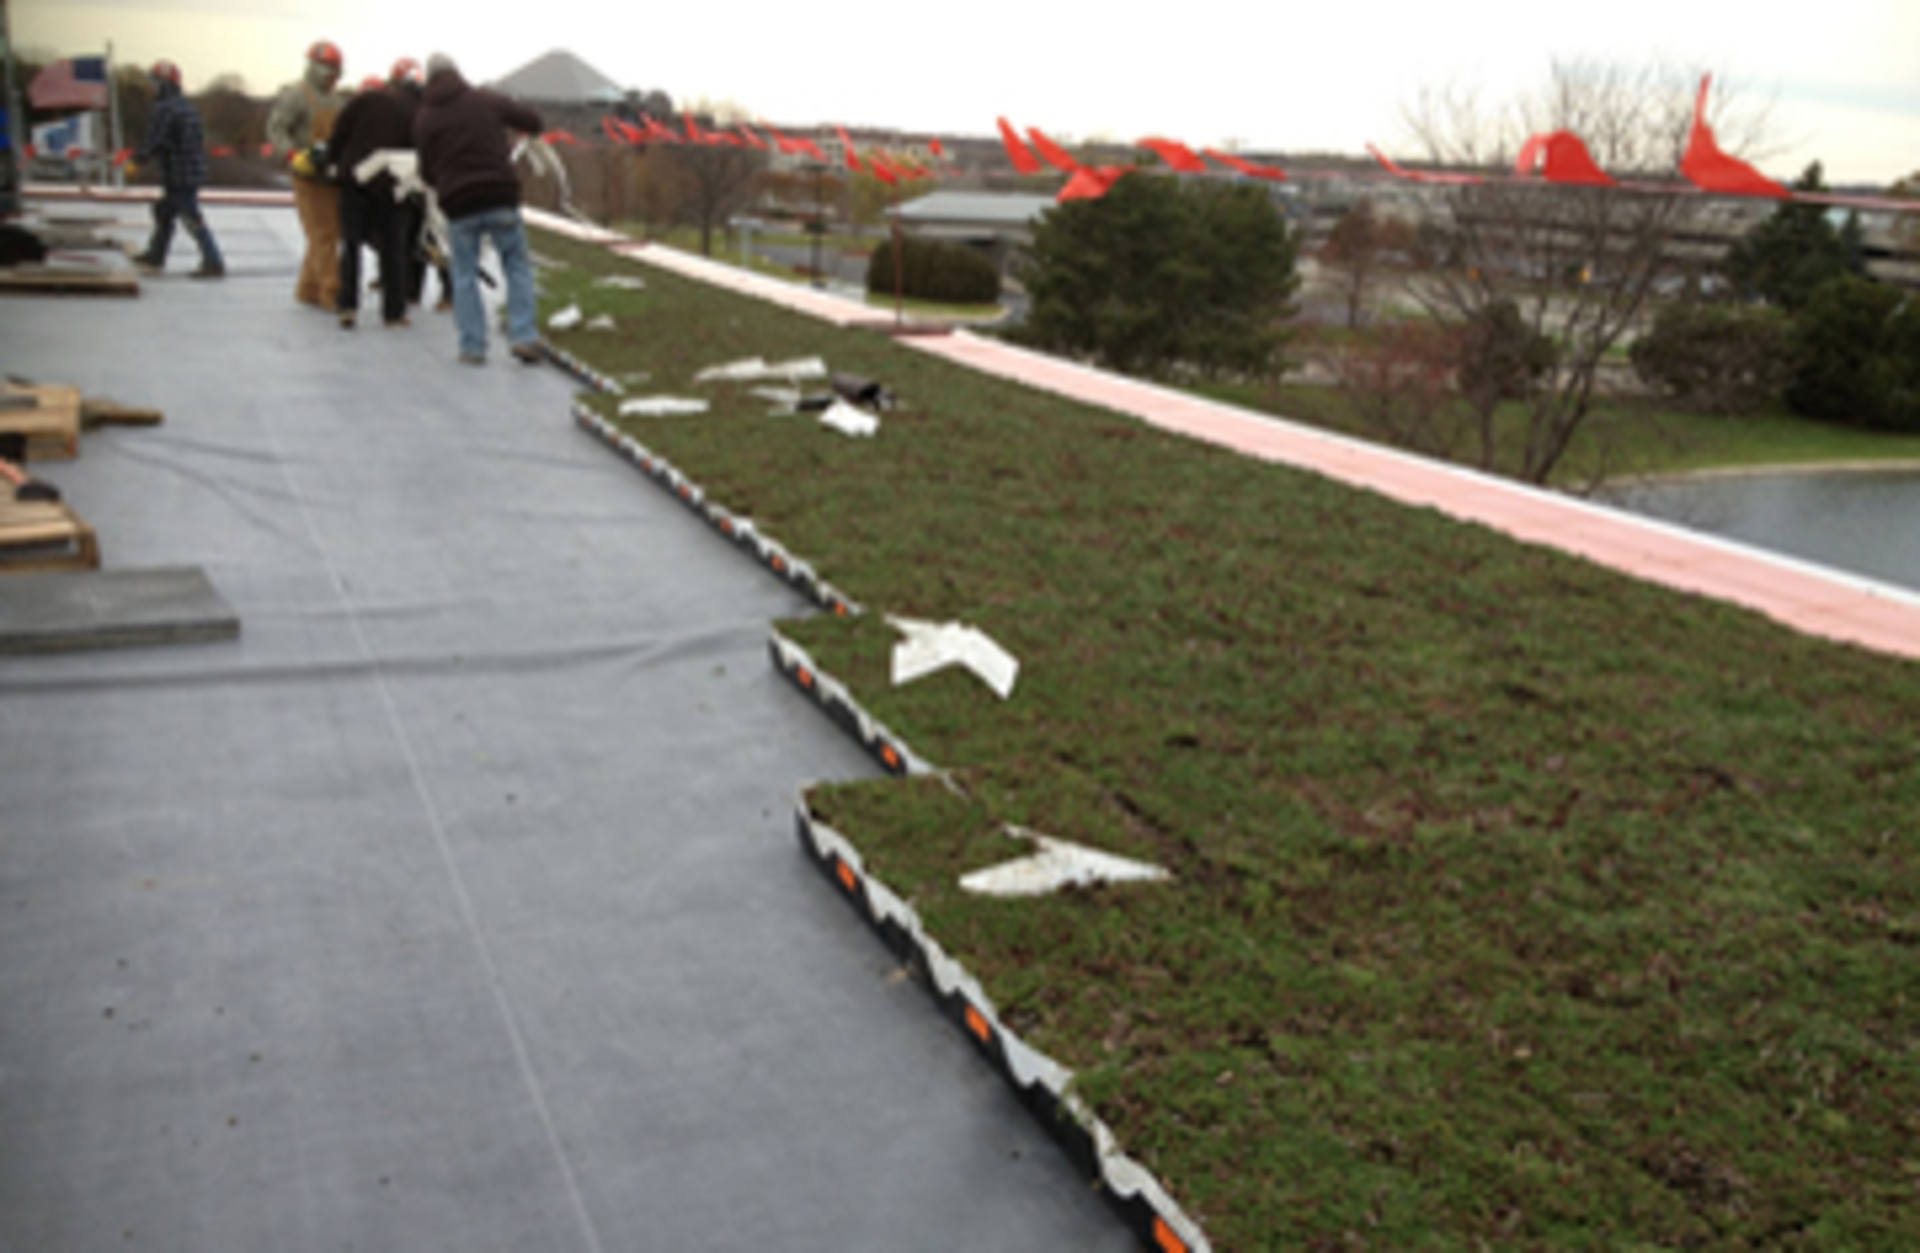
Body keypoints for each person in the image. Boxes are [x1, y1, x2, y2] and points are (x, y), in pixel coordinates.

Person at [412, 52, 543, 365]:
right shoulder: (484, 100)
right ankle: (523, 336)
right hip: (500, 194)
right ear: (457, 73)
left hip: (458, 202)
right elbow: (532, 122)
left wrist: (444, 180)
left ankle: (472, 346)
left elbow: (426, 171)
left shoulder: (425, 117)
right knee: (516, 265)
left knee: (464, 274)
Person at [328, 64, 417, 328]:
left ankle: (347, 305)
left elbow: (340, 133)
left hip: (355, 177)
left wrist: (334, 161)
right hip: (391, 183)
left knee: (351, 244)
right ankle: (393, 312)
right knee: (393, 249)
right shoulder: (415, 110)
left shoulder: (366, 100)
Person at [267, 40, 347, 311]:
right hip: (307, 174)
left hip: (332, 174)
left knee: (323, 233)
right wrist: (292, 155)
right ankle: (330, 291)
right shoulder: (296, 95)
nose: (333, 75)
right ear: (314, 67)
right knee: (324, 234)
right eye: (329, 68)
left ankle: (308, 288)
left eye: (336, 69)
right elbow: (277, 129)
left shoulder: (337, 99)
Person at [128, 60, 225, 278]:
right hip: (191, 171)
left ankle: (213, 261)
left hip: (178, 174)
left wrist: (137, 161)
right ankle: (156, 254)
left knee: (191, 217)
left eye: (153, 82)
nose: (149, 87)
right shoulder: (186, 107)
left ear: (164, 85)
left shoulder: (164, 109)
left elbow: (155, 140)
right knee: (164, 212)